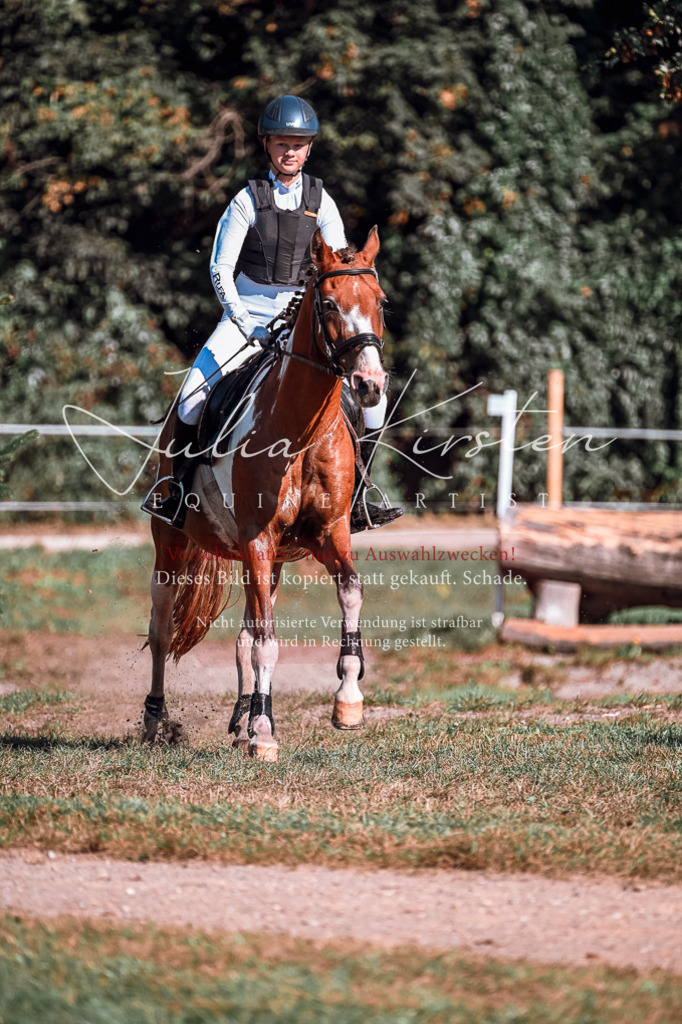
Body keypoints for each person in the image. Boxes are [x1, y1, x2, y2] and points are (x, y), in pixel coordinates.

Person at [142, 95, 402, 531]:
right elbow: (220, 267)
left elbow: (335, 262)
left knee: (374, 406)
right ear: (268, 145)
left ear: (309, 149)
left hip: (303, 315)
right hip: (245, 313)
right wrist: (245, 324)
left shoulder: (323, 200)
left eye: (298, 145)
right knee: (190, 399)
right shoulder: (247, 199)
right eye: (282, 143)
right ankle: (178, 494)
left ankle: (357, 495)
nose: (290, 152)